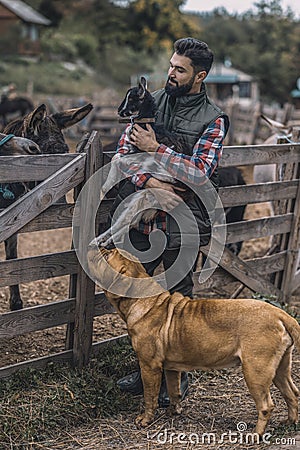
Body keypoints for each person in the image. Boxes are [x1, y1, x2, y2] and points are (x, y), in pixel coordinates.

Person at [108, 37, 229, 406]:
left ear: (200, 75)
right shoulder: (150, 102)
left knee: (179, 299)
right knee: (136, 295)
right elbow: (122, 156)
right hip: (144, 219)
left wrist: (156, 150)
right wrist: (153, 181)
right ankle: (147, 366)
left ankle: (176, 379)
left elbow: (198, 173)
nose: (171, 73)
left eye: (180, 69)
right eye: (170, 66)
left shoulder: (214, 119)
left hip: (184, 221)